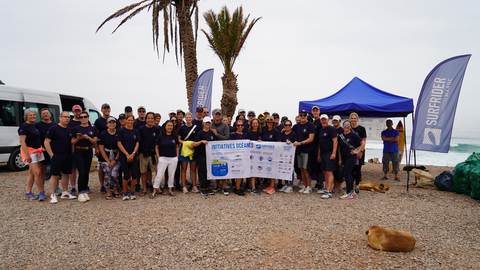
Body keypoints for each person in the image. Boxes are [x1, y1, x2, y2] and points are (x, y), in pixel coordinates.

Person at [44, 111, 77, 203]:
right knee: (54, 175)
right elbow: (46, 142)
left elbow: (72, 143)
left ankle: (65, 192)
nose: (67, 119)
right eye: (65, 117)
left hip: (68, 154)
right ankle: (52, 195)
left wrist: (72, 153)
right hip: (57, 154)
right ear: (60, 118)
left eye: (68, 117)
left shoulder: (70, 129)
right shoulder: (53, 128)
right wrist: (51, 154)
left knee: (66, 174)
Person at [19, 109, 46, 201]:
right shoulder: (24, 126)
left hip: (37, 151)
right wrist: (27, 155)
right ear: (26, 116)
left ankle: (28, 193)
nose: (33, 116)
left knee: (31, 172)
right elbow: (22, 141)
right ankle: (42, 192)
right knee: (37, 172)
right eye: (30, 115)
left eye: (34, 115)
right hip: (29, 152)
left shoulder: (34, 126)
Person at [71, 111, 98, 203]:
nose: (83, 118)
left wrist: (88, 138)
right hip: (79, 151)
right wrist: (78, 138)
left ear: (88, 118)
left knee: (86, 171)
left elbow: (95, 141)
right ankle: (80, 192)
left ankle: (84, 190)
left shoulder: (92, 129)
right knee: (81, 171)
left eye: (85, 117)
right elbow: (72, 142)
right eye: (81, 117)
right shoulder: (76, 128)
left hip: (89, 150)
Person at [337, 120, 365, 200]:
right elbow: (339, 147)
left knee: (346, 174)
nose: (346, 127)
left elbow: (362, 143)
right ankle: (352, 190)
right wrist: (340, 159)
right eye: (345, 125)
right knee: (349, 174)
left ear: (350, 127)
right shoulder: (341, 136)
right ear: (343, 126)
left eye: (348, 125)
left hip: (351, 157)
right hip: (344, 157)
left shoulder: (353, 135)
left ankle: (348, 193)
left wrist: (357, 151)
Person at [151, 120, 179, 198]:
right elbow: (156, 147)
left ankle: (170, 190)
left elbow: (177, 146)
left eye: (171, 126)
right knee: (159, 175)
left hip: (173, 158)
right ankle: (154, 191)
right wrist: (159, 157)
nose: (170, 127)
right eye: (168, 125)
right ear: (165, 127)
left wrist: (177, 157)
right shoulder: (160, 136)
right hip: (163, 158)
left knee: (171, 174)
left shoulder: (175, 136)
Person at [116, 114, 141, 200]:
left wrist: (133, 154)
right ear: (126, 120)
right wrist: (127, 154)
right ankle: (125, 192)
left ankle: (132, 192)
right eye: (128, 120)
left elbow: (137, 143)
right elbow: (119, 143)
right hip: (124, 156)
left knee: (134, 175)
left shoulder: (136, 131)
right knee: (126, 175)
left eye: (131, 120)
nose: (130, 122)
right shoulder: (121, 131)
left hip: (133, 156)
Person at [190, 117, 217, 196]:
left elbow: (215, 141)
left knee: (209, 171)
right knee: (203, 171)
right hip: (202, 155)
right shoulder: (200, 133)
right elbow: (194, 144)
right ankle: (203, 188)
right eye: (206, 122)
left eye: (209, 122)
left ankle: (208, 188)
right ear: (203, 123)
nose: (207, 124)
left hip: (210, 156)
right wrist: (201, 141)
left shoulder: (212, 133)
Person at [94, 103, 117, 194]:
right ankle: (102, 185)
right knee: (102, 167)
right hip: (102, 146)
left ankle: (111, 184)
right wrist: (96, 148)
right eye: (104, 108)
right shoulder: (98, 121)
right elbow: (96, 135)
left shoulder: (114, 120)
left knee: (113, 167)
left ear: (110, 110)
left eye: (108, 108)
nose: (106, 110)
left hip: (113, 148)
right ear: (102, 110)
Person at [293, 110, 316, 194]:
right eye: (301, 115)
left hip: (307, 150)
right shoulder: (296, 126)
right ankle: (304, 185)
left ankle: (309, 187)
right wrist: (284, 130)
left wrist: (300, 143)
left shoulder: (311, 125)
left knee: (306, 169)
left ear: (307, 116)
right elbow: (291, 134)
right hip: (299, 151)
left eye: (304, 115)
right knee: (301, 169)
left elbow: (311, 138)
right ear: (299, 116)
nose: (302, 116)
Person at [35, 108, 57, 194]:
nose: (45, 115)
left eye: (47, 113)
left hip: (53, 149)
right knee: (42, 169)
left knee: (55, 169)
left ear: (50, 114)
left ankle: (57, 188)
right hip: (42, 150)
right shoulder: (37, 125)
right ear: (41, 116)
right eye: (43, 113)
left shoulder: (55, 125)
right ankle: (41, 189)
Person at [98, 117, 121, 200]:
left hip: (116, 157)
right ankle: (108, 192)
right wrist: (108, 161)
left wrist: (115, 160)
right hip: (105, 158)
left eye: (113, 122)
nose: (112, 124)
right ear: (107, 124)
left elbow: (120, 147)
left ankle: (115, 190)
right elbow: (101, 149)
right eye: (110, 122)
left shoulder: (118, 133)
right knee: (107, 173)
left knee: (115, 174)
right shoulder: (103, 134)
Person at [138, 112, 160, 195]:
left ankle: (158, 188)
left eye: (152, 118)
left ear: (154, 120)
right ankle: (144, 189)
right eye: (149, 118)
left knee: (157, 171)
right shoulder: (141, 129)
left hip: (153, 153)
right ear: (146, 119)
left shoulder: (157, 129)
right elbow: (138, 142)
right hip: (143, 153)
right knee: (143, 172)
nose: (150, 120)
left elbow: (158, 142)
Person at [316, 114, 338, 199]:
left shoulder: (331, 129)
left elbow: (335, 142)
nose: (323, 121)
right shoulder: (321, 130)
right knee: (325, 172)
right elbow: (319, 143)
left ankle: (329, 191)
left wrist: (334, 153)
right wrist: (319, 154)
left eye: (325, 120)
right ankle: (326, 188)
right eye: (322, 120)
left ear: (328, 120)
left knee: (329, 172)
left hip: (330, 153)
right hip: (323, 153)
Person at [178, 112, 200, 193]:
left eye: (189, 117)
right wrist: (185, 144)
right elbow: (178, 139)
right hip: (184, 150)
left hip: (193, 150)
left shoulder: (196, 128)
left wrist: (193, 145)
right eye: (186, 117)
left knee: (193, 169)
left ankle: (194, 186)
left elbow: (198, 138)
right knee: (183, 169)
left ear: (192, 118)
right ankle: (184, 187)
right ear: (185, 118)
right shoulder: (182, 128)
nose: (188, 119)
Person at [210, 108, 231, 195]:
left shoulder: (225, 125)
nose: (217, 115)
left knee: (223, 166)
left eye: (219, 114)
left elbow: (227, 137)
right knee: (215, 166)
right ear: (213, 115)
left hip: (223, 149)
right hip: (213, 150)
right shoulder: (210, 125)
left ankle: (224, 187)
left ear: (221, 115)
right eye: (216, 114)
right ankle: (217, 185)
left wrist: (216, 135)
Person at [261, 116, 281, 194]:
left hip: (273, 154)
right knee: (268, 169)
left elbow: (279, 142)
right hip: (265, 154)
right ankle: (269, 185)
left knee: (272, 170)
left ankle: (272, 187)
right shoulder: (264, 131)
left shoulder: (276, 132)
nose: (269, 123)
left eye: (271, 122)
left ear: (273, 123)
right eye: (268, 122)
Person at [68, 104, 84, 195]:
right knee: (73, 169)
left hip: (84, 149)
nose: (78, 112)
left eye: (79, 111)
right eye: (76, 111)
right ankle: (73, 187)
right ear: (73, 112)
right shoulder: (70, 123)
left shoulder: (85, 121)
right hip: (74, 148)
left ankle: (84, 185)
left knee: (83, 169)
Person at [230, 120, 248, 196]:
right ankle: (237, 188)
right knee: (238, 172)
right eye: (238, 125)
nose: (240, 127)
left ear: (243, 126)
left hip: (243, 156)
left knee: (242, 173)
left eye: (241, 125)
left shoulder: (246, 135)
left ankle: (238, 186)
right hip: (236, 157)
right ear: (236, 126)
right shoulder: (233, 135)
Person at [350, 112, 367, 193]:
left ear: (357, 119)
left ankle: (357, 185)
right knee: (351, 169)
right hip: (350, 151)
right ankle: (351, 186)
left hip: (359, 150)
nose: (353, 120)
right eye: (352, 118)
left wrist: (361, 152)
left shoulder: (361, 129)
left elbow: (364, 141)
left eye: (354, 118)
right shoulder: (348, 128)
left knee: (357, 169)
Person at [279, 119, 297, 193]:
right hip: (283, 155)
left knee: (290, 169)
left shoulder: (293, 134)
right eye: (286, 125)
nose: (287, 126)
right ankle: (286, 184)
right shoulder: (282, 134)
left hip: (290, 155)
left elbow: (296, 144)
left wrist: (292, 143)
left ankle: (291, 185)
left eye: (289, 125)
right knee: (284, 169)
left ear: (291, 126)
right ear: (284, 126)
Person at [247, 118, 262, 195]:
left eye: (256, 123)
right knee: (252, 170)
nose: (255, 125)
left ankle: (251, 186)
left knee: (255, 170)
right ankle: (253, 188)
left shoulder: (260, 133)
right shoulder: (249, 133)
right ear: (251, 124)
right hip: (251, 155)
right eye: (254, 123)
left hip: (259, 155)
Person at [311, 106, 324, 191]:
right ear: (312, 112)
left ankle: (321, 183)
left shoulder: (320, 122)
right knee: (315, 165)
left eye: (317, 111)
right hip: (313, 146)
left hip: (319, 146)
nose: (315, 112)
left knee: (319, 165)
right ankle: (318, 182)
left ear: (319, 112)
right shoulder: (313, 122)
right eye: (314, 111)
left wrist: (319, 150)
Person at [332, 115, 344, 193]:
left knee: (340, 171)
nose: (335, 122)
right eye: (334, 120)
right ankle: (335, 185)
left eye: (337, 120)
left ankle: (338, 186)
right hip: (332, 153)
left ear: (339, 121)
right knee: (333, 171)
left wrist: (340, 158)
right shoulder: (331, 129)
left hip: (341, 152)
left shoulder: (342, 130)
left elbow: (342, 144)